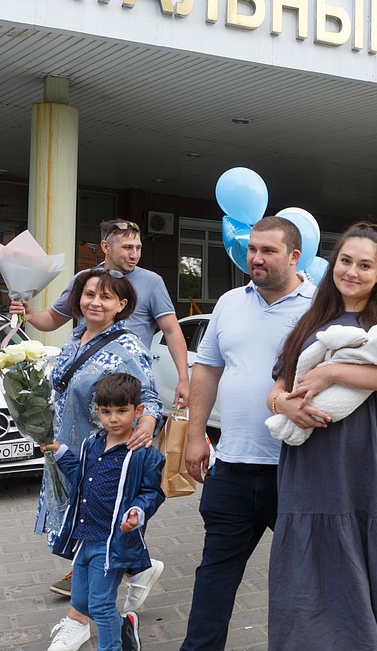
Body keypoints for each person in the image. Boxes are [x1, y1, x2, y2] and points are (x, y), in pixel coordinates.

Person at [266, 222, 377, 650]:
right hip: (315, 464)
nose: (351, 272)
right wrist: (282, 404)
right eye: (345, 261)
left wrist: (332, 372)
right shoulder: (309, 322)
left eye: (364, 265)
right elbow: (279, 387)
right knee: (315, 566)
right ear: (332, 264)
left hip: (375, 460)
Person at [179, 217, 315, 651]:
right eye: (252, 248)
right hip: (233, 465)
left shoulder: (320, 307)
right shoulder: (229, 303)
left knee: (308, 578)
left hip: (297, 470)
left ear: (295, 256)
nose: (255, 258)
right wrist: (196, 435)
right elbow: (207, 368)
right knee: (215, 573)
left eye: (268, 251)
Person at [37, 269, 164, 608]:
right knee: (83, 524)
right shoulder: (75, 336)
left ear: (121, 305)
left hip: (102, 455)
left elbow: (149, 397)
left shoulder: (126, 346)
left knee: (93, 530)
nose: (95, 302)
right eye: (89, 294)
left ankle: (85, 615)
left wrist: (148, 421)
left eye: (106, 297)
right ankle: (137, 570)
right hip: (69, 449)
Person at [43, 373, 166, 651]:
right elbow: (81, 479)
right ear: (97, 411)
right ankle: (126, 628)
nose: (113, 418)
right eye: (106, 411)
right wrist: (63, 454)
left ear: (138, 411)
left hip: (111, 544)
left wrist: (137, 511)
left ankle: (111, 647)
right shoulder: (91, 444)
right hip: (85, 538)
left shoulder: (143, 453)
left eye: (122, 411)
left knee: (100, 604)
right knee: (81, 602)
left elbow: (153, 493)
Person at [11, 219, 191, 408]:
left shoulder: (152, 282)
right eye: (127, 247)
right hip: (82, 388)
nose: (134, 255)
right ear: (105, 246)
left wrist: (183, 379)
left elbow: (172, 331)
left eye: (138, 248)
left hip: (126, 388)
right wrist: (30, 316)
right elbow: (53, 319)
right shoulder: (84, 280)